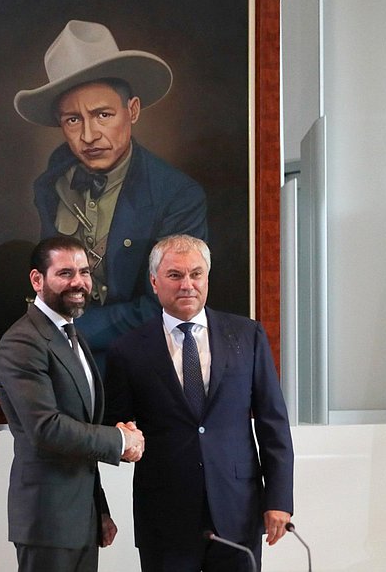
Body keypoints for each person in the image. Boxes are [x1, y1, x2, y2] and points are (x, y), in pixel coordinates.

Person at [14, 19, 208, 368]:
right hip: (63, 364)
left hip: (140, 366)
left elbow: (171, 301)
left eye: (102, 114)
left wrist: (68, 330)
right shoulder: (49, 186)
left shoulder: (178, 195)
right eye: (73, 120)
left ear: (132, 110)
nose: (89, 135)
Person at [104, 234, 294, 572]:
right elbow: (117, 425)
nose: (187, 285)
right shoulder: (127, 349)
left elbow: (273, 422)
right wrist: (123, 438)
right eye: (175, 275)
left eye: (196, 274)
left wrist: (279, 499)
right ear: (154, 282)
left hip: (238, 509)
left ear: (207, 277)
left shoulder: (247, 335)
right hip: (165, 515)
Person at [0, 235, 145, 572]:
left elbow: (81, 428)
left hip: (81, 520)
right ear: (37, 280)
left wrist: (99, 509)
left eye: (85, 272)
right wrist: (120, 440)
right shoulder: (22, 342)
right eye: (65, 273)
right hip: (47, 522)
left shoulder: (73, 336)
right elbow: (46, 428)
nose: (79, 282)